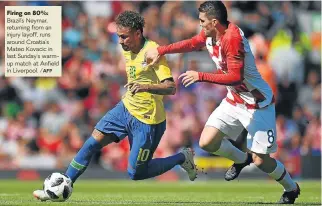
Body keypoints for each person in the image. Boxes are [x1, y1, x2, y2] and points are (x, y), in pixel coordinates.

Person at [145, 1, 300, 204]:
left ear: (214, 22)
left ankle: (291, 188)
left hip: (257, 103)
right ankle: (241, 159)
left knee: (261, 160)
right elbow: (193, 43)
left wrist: (200, 75)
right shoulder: (211, 34)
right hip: (234, 100)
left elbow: (235, 77)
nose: (199, 25)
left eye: (202, 21)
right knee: (207, 142)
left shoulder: (232, 38)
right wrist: (162, 50)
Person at [33, 10, 197, 201]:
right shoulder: (127, 48)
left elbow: (171, 87)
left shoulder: (153, 52)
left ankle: (182, 157)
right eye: (118, 36)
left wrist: (145, 86)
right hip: (125, 108)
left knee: (135, 173)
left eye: (124, 36)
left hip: (148, 120)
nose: (120, 41)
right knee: (90, 144)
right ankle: (62, 185)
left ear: (138, 33)